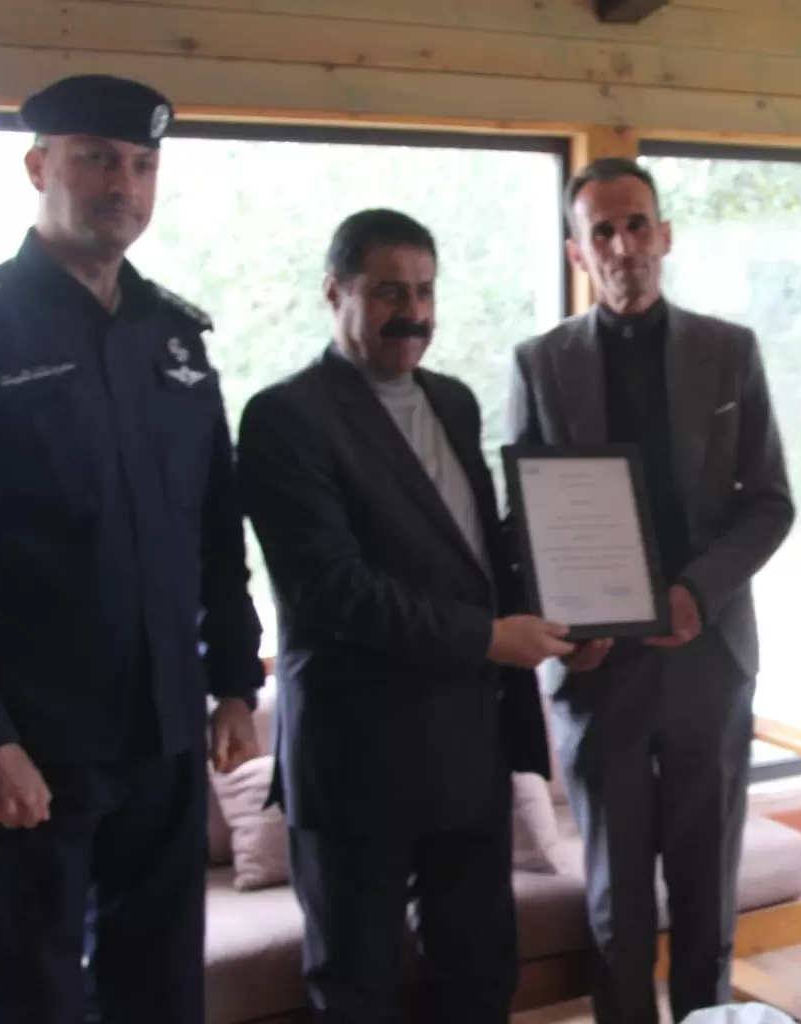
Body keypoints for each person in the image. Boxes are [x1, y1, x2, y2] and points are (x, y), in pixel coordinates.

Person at [0, 74, 265, 1022]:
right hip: (33, 746)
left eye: (142, 165)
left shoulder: (174, 336)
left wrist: (233, 681)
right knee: (28, 997)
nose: (123, 186)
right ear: (37, 167)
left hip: (164, 734)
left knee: (162, 991)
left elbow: (216, 527)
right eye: (96, 159)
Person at [235, 209, 567, 1024]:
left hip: (467, 747)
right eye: (389, 292)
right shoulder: (285, 417)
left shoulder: (453, 400)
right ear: (335, 292)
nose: (413, 312)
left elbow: (475, 554)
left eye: (425, 291)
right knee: (357, 991)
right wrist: (489, 638)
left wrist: (570, 616)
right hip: (356, 760)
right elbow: (331, 588)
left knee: (480, 980)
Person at [504, 157, 794, 1024]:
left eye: (637, 224)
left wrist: (697, 591)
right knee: (615, 905)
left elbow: (771, 503)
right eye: (602, 231)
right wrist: (566, 627)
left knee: (706, 897)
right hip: (598, 668)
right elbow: (524, 523)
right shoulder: (540, 363)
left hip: (709, 657)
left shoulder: (730, 351)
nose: (623, 244)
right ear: (577, 251)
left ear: (664, 235)